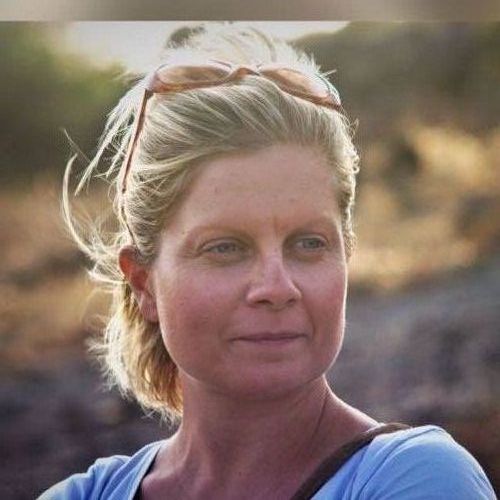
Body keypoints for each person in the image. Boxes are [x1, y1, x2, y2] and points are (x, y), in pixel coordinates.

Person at [39, 24, 495, 500]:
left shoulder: (418, 479)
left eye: (309, 243)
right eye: (224, 248)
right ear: (143, 283)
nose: (277, 287)